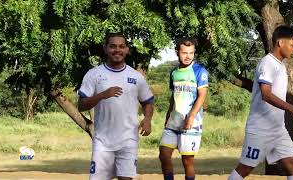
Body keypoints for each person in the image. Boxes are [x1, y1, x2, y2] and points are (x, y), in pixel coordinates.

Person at [228, 26, 293, 180]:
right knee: (245, 168)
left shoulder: (281, 66)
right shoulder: (268, 63)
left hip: (278, 130)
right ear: (280, 42)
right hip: (260, 130)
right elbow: (266, 94)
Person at [77, 32, 154, 180]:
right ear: (105, 49)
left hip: (128, 140)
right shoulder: (94, 74)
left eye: (121, 46)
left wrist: (148, 119)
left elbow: (147, 101)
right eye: (112, 46)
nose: (117, 50)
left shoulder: (136, 77)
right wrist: (102, 95)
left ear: (127, 50)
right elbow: (81, 105)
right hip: (102, 142)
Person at [159, 37, 209, 180]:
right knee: (164, 154)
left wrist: (192, 116)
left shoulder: (200, 71)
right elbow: (173, 95)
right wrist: (168, 114)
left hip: (191, 121)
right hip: (174, 120)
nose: (188, 56)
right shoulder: (174, 72)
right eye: (184, 53)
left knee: (187, 161)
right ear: (177, 52)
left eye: (191, 53)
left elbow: (202, 96)